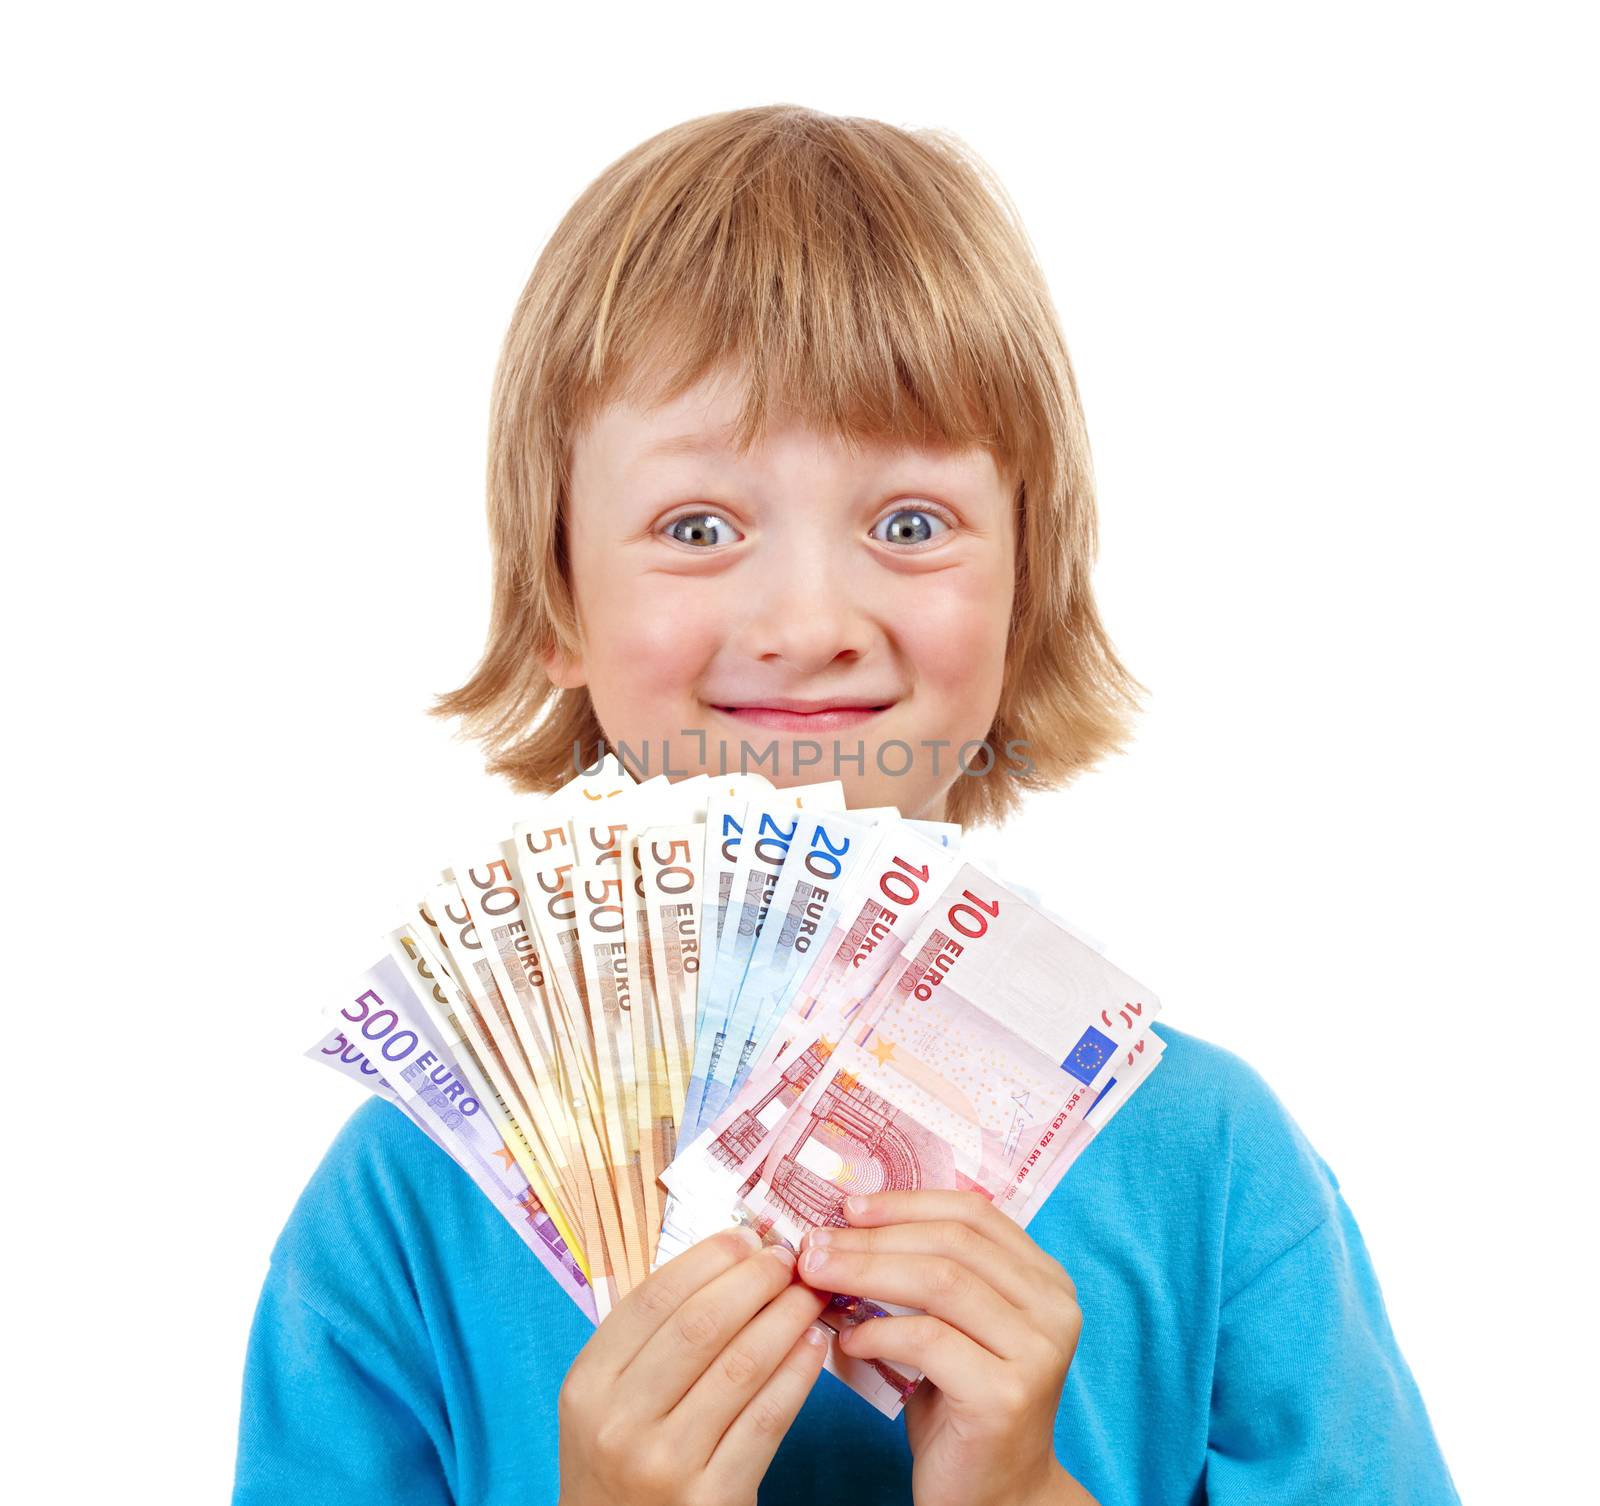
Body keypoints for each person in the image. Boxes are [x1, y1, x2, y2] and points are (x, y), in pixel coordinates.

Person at [232, 105, 1461, 1504]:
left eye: (911, 524)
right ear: (560, 599)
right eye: (698, 527)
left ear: (1024, 594)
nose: (809, 620)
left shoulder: (1216, 1162)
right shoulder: (407, 1194)